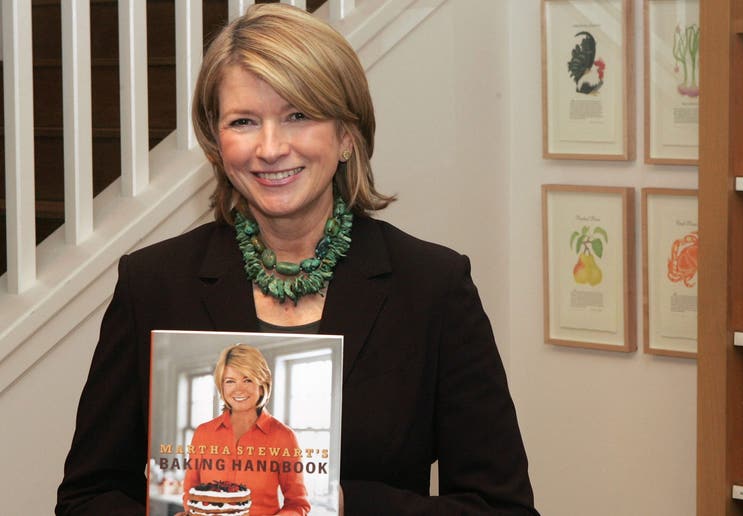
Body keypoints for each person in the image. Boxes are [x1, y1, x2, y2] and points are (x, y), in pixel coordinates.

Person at [55, 4, 538, 515]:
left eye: (298, 116)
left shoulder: (433, 287)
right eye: (243, 121)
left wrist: (343, 505)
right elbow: (86, 499)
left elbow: (502, 507)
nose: (269, 147)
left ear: (347, 135)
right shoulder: (152, 284)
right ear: (217, 143)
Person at [183, 344, 309, 515]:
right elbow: (190, 493)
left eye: (247, 379)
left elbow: (297, 504)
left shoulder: (284, 437)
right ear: (222, 386)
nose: (239, 389)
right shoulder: (203, 433)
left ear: (262, 383)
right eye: (230, 381)